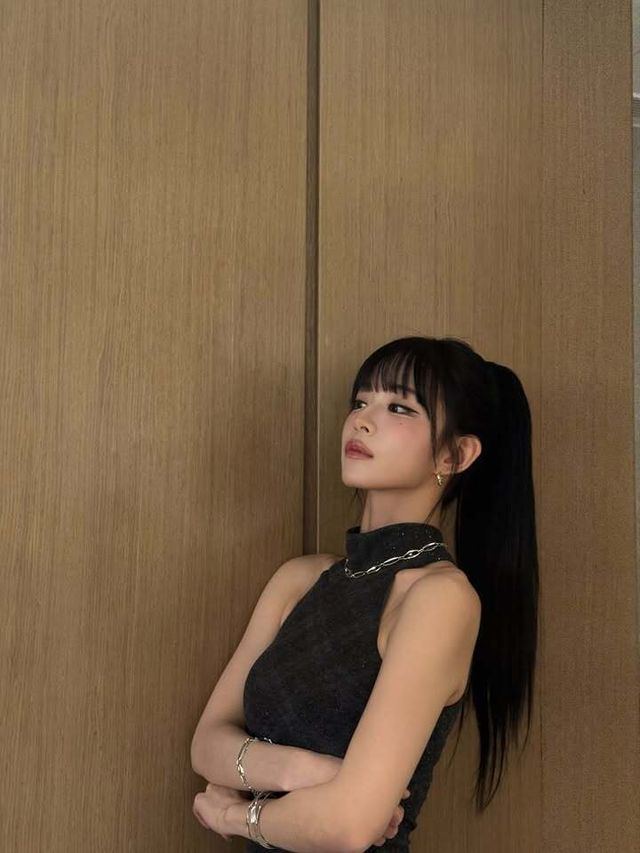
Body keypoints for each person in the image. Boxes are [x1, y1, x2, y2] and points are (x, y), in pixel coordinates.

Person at [191, 335, 539, 851]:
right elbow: (207, 742)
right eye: (360, 401)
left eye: (399, 407)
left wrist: (233, 815)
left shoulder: (439, 598)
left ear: (455, 454)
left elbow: (350, 827)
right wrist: (307, 771)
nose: (362, 420)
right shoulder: (300, 580)